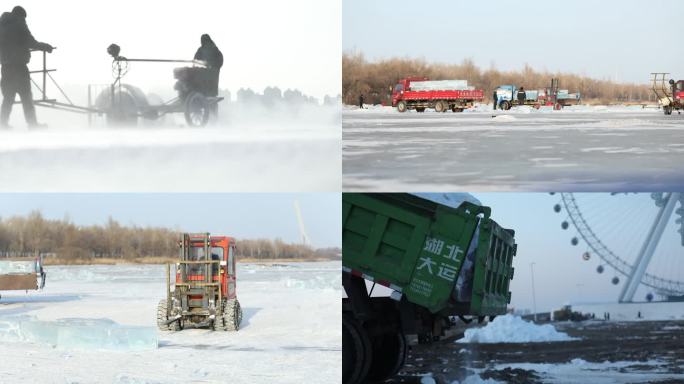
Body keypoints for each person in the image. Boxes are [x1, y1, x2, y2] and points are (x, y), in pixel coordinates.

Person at [0, 6, 53, 129]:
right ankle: (32, 124)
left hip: (5, 67)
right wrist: (46, 47)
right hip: (19, 67)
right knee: (26, 96)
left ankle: (2, 125)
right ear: (21, 16)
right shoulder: (19, 24)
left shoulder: (1, 26)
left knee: (8, 97)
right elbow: (31, 42)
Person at [193, 34, 223, 117]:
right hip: (202, 74)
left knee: (212, 98)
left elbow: (219, 61)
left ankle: (214, 117)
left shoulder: (214, 49)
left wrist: (212, 66)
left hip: (211, 76)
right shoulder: (201, 50)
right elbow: (195, 60)